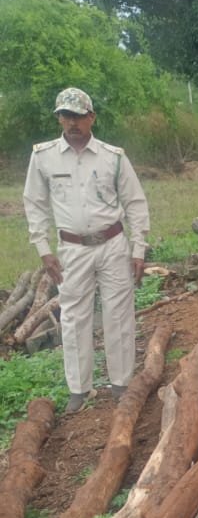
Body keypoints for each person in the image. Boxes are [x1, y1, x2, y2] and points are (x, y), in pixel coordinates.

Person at [22, 88, 150, 414]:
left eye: (78, 115)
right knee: (75, 316)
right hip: (72, 249)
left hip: (113, 245)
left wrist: (138, 249)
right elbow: (34, 204)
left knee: (118, 315)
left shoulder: (113, 157)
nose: (72, 122)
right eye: (66, 116)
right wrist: (42, 248)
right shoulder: (44, 157)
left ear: (91, 117)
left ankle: (121, 385)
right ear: (59, 119)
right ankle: (79, 390)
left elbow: (135, 204)